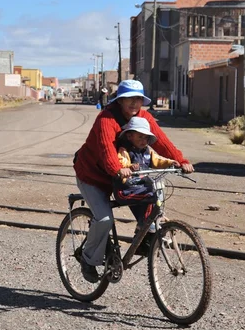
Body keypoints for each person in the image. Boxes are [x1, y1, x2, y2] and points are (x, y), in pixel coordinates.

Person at [73, 79, 194, 283]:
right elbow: (106, 150)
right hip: (93, 175)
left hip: (123, 177)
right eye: (128, 98)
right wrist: (118, 169)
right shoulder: (106, 118)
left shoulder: (143, 118)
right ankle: (88, 258)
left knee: (149, 197)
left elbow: (162, 141)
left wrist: (180, 161)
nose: (134, 103)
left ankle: (144, 235)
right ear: (119, 101)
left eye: (138, 99)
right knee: (104, 219)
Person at [113, 116, 179, 254]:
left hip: (141, 189)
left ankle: (145, 235)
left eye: (146, 138)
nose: (144, 141)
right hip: (126, 189)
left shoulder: (148, 151)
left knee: (155, 196)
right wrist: (128, 167)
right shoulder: (125, 151)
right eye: (140, 137)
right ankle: (143, 230)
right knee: (151, 196)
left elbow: (158, 160)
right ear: (130, 136)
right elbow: (121, 163)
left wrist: (170, 163)